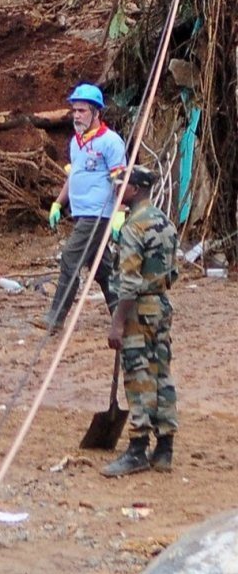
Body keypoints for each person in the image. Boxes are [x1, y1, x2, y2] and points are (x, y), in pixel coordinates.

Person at [102, 166, 180, 478]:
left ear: (134, 190)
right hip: (161, 306)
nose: (117, 190)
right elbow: (171, 273)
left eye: (121, 185)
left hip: (138, 309)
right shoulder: (165, 222)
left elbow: (130, 283)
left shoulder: (134, 227)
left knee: (138, 376)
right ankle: (164, 448)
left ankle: (137, 448)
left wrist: (117, 323)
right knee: (161, 373)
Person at [42, 83, 125, 332]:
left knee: (70, 258)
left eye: (82, 111)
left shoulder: (111, 142)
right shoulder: (76, 142)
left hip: (98, 214)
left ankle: (55, 320)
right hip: (81, 213)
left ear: (96, 112)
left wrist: (119, 213)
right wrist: (58, 203)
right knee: (102, 269)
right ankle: (123, 316)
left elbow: (119, 180)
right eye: (74, 110)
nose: (76, 115)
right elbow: (73, 176)